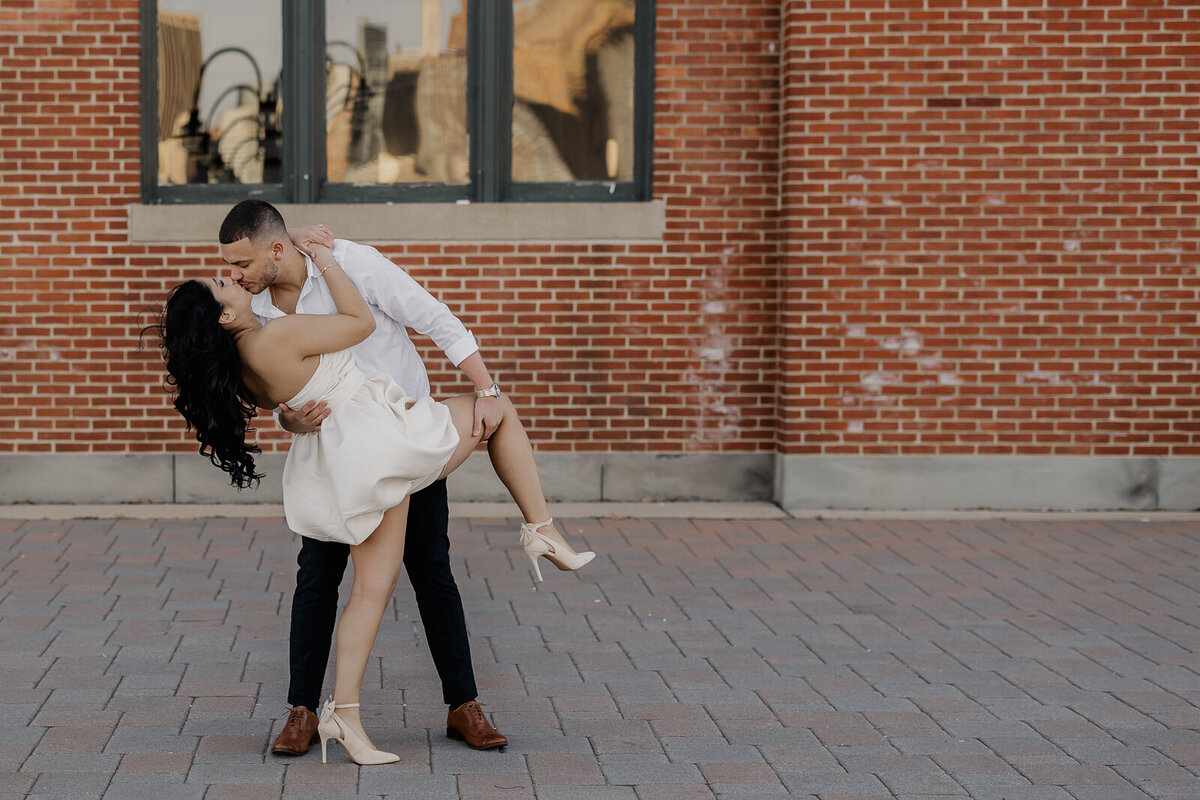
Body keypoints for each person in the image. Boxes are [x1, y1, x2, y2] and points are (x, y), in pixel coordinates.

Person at [149, 227, 595, 764]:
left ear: (271, 247)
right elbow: (358, 325)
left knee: (394, 581)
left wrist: (288, 410)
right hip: (376, 451)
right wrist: (326, 260)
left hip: (365, 447)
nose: (233, 276)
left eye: (234, 266)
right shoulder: (272, 329)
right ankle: (540, 530)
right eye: (225, 279)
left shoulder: (244, 351)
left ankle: (381, 712)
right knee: (492, 418)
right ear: (223, 315)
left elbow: (420, 322)